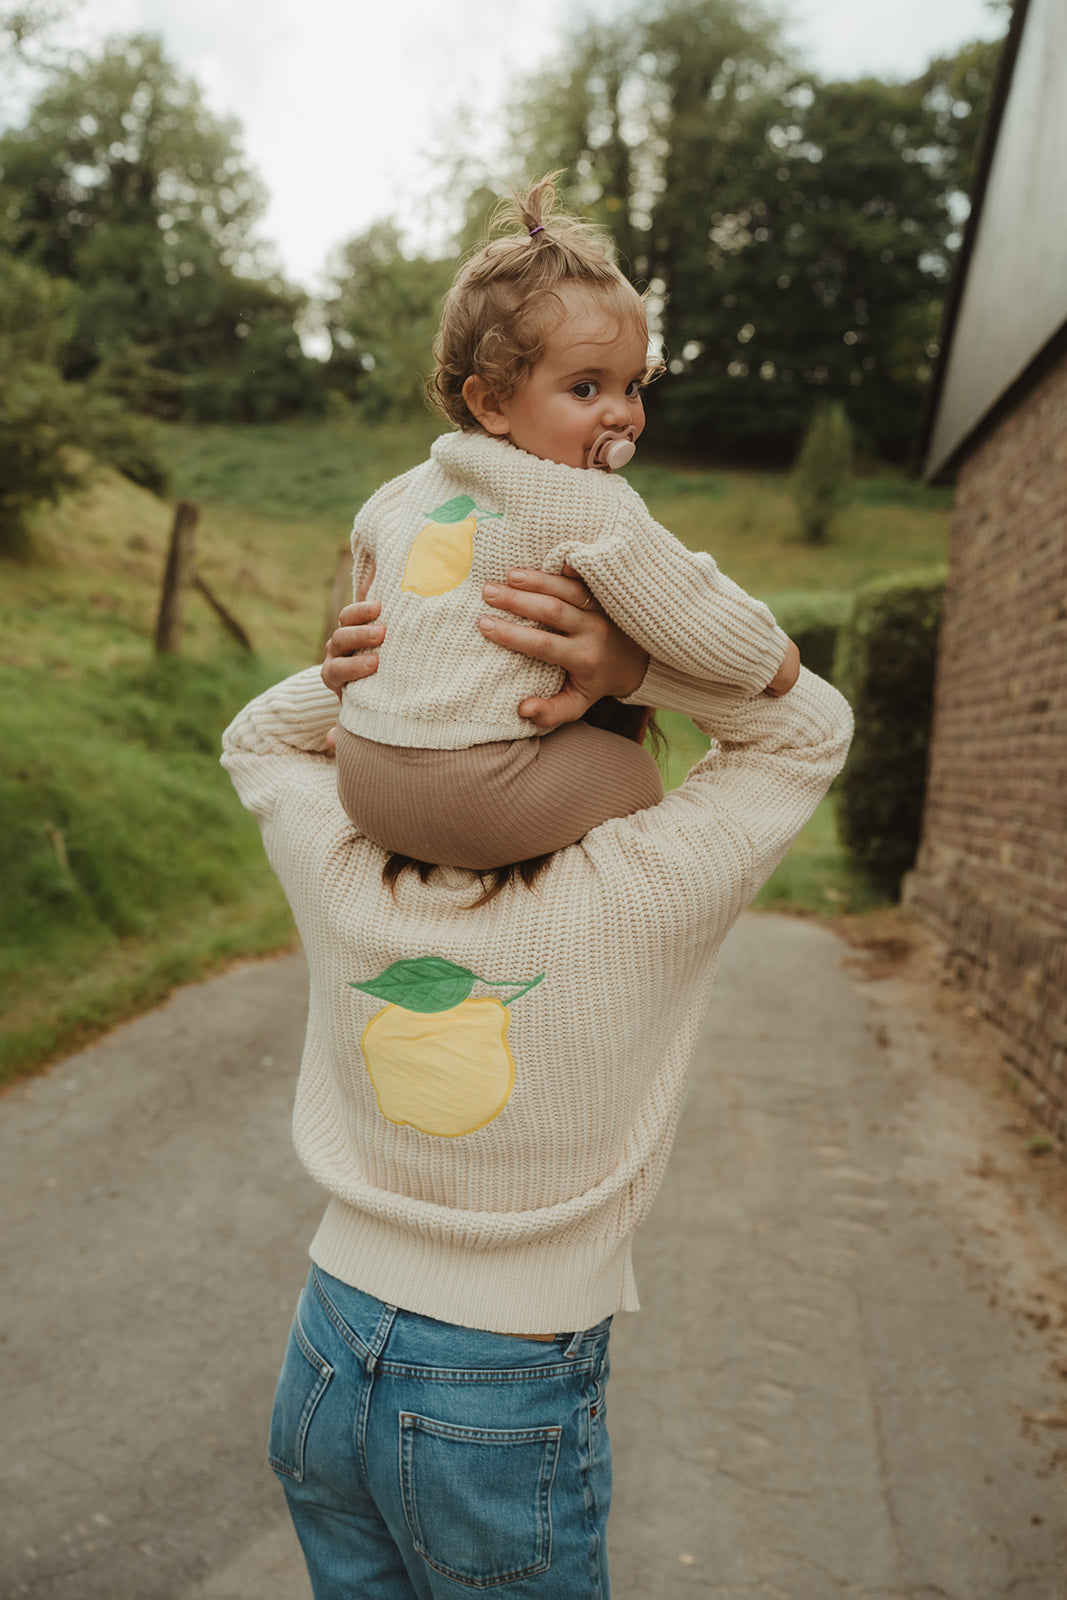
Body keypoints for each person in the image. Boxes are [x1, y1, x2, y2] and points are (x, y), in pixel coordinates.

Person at [221, 560, 852, 1598]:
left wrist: (372, 673)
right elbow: (807, 723)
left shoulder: (339, 863)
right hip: (496, 1386)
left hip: (324, 1348)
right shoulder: (646, 882)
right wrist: (641, 662)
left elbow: (255, 738)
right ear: (604, 715)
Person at [334, 172, 798, 873]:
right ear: (491, 403)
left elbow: (365, 613)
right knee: (634, 774)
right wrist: (771, 655)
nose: (622, 412)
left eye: (632, 385)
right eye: (586, 388)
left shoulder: (400, 494)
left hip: (361, 782)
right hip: (477, 794)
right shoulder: (588, 501)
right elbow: (693, 608)